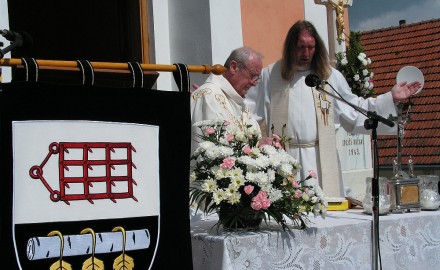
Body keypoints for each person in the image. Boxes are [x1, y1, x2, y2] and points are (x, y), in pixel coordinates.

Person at [244, 20, 422, 197]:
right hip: (283, 159)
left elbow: (355, 109)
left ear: (317, 47)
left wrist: (390, 98)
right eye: (300, 47)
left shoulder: (329, 77)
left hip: (321, 163)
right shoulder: (270, 75)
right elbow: (248, 114)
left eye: (311, 47)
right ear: (291, 46)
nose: (306, 53)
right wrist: (254, 142)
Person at [190, 46, 263, 155]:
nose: (254, 83)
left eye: (257, 78)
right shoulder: (208, 96)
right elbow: (210, 152)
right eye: (252, 75)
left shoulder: (239, 103)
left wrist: (263, 145)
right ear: (233, 67)